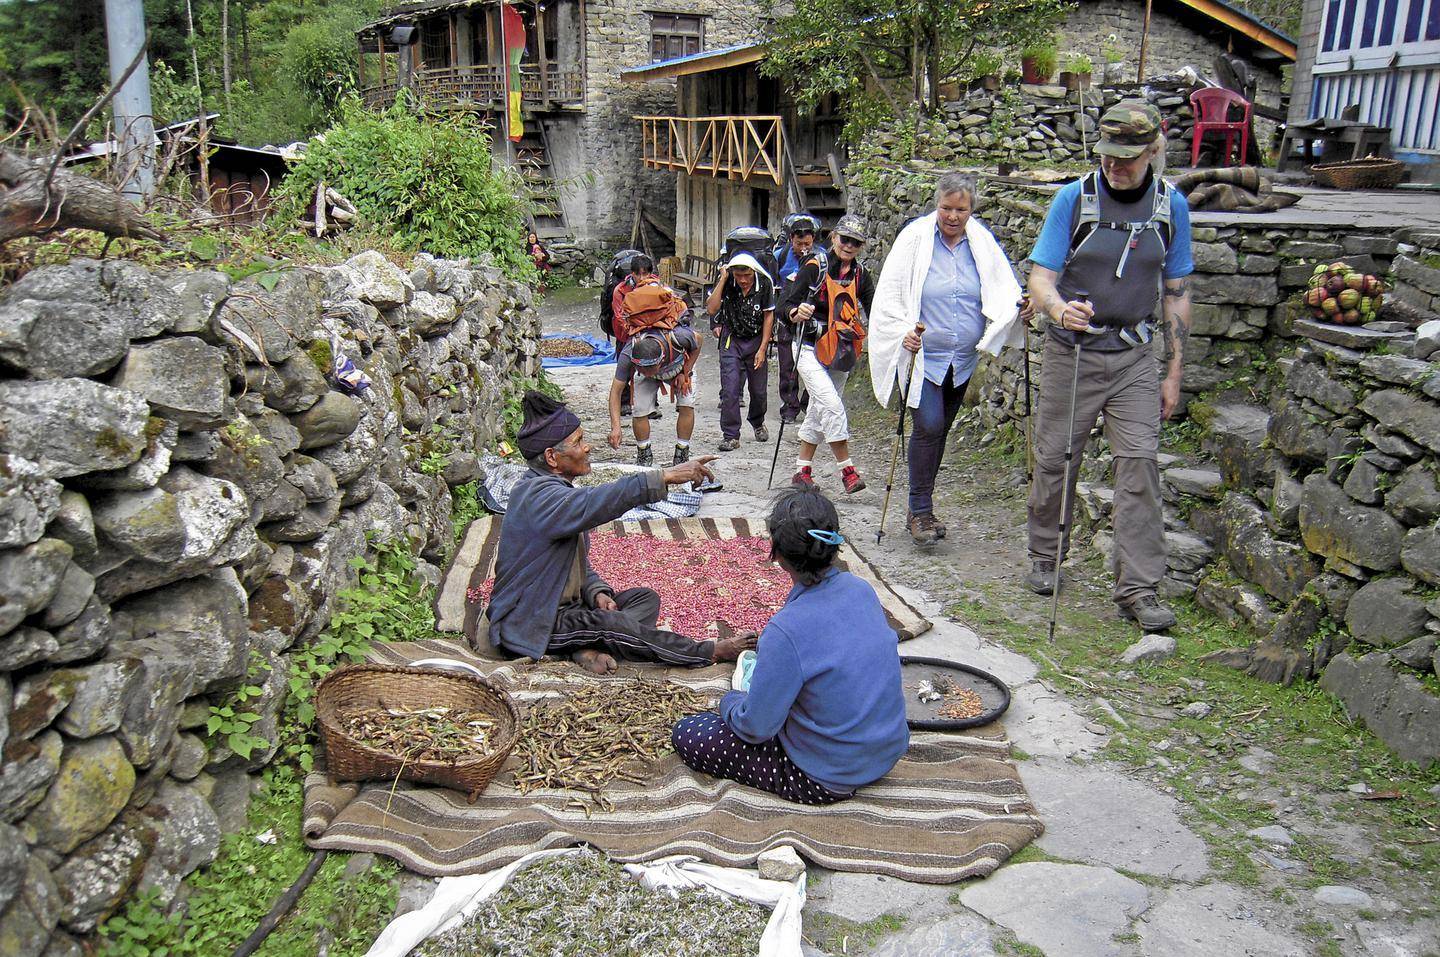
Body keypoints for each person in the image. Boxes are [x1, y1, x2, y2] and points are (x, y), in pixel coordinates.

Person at [1024, 101, 1194, 632]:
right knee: (1056, 458)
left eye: (1129, 158)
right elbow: (1041, 278)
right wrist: (1057, 308)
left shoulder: (1172, 207)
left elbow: (1177, 291)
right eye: (1109, 157)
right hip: (1071, 352)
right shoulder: (1074, 199)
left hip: (1135, 358)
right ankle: (1046, 556)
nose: (1116, 168)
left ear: (1153, 151)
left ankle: (1138, 588)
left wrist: (1173, 372)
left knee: (1139, 464)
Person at [483, 392, 755, 673]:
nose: (587, 448)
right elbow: (598, 500)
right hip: (536, 620)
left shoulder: (556, 493)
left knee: (645, 599)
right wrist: (665, 476)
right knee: (614, 625)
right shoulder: (539, 497)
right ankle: (708, 651)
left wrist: (598, 592)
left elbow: (575, 566)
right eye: (578, 442)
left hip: (569, 609)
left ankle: (587, 646)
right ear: (552, 457)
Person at [671, 487, 908, 804]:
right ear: (833, 545)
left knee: (690, 733)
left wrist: (730, 702)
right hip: (885, 754)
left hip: (825, 776)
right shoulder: (861, 590)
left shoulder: (785, 630)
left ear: (778, 555)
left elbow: (757, 728)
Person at [869, 174, 1027, 546]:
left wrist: (1019, 309)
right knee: (929, 423)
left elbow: (1002, 288)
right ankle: (920, 510)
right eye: (946, 208)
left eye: (961, 209)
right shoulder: (914, 240)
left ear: (972, 209)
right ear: (935, 205)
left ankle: (919, 506)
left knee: (939, 430)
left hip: (962, 358)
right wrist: (902, 332)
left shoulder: (982, 243)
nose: (953, 216)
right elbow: (890, 296)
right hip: (924, 355)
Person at [783, 214, 876, 493]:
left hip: (841, 350)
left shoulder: (861, 275)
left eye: (855, 242)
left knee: (818, 409)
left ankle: (802, 471)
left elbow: (876, 311)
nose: (849, 245)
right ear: (834, 237)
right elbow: (783, 304)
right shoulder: (815, 267)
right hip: (808, 346)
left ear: (861, 247)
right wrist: (796, 312)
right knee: (832, 405)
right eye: (845, 239)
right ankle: (847, 470)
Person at [705, 251, 775, 452]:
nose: (743, 280)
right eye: (739, 275)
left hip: (755, 340)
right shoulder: (728, 282)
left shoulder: (764, 284)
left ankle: (757, 421)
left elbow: (768, 316)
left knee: (758, 390)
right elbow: (711, 309)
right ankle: (731, 435)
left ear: (753, 272)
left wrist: (762, 348)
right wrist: (724, 278)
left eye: (747, 275)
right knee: (730, 389)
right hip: (731, 339)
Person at [607, 325, 702, 469]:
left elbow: (699, 340)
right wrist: (615, 427)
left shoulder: (679, 337)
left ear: (661, 359)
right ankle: (644, 453)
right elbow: (615, 392)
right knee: (639, 409)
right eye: (642, 369)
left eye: (650, 369)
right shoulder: (628, 354)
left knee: (687, 404)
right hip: (657, 365)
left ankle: (682, 452)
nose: (647, 373)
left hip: (678, 367)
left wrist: (686, 371)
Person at [773, 213, 825, 424]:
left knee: (817, 361)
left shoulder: (821, 257)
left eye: (807, 243)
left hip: (814, 313)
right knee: (787, 362)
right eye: (798, 243)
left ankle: (808, 401)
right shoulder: (780, 256)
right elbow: (773, 285)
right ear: (791, 239)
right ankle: (789, 406)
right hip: (788, 314)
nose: (803, 247)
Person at [613, 255, 667, 421]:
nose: (642, 278)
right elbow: (620, 316)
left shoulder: (659, 288)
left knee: (651, 366)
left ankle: (651, 404)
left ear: (651, 273)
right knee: (626, 369)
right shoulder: (620, 291)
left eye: (645, 274)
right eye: (639, 274)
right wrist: (634, 332)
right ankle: (624, 402)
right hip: (627, 336)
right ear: (633, 273)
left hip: (652, 335)